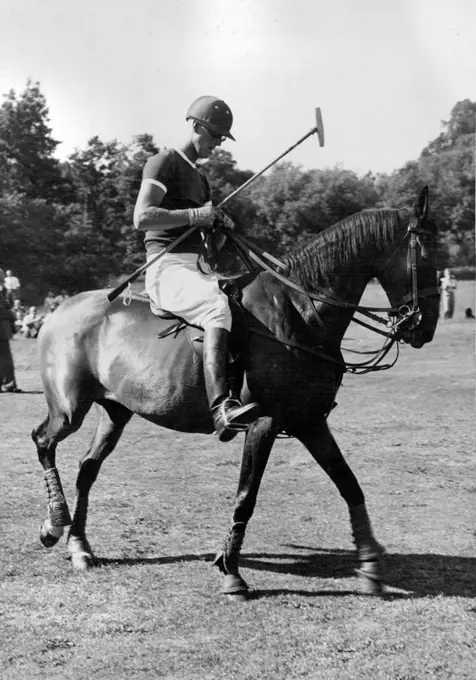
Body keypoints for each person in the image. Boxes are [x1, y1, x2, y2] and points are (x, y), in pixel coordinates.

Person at [133, 95, 260, 442]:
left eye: (222, 137)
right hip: (165, 266)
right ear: (195, 126)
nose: (218, 143)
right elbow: (141, 218)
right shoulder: (164, 163)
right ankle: (221, 407)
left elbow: (204, 243)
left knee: (245, 300)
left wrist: (218, 229)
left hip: (196, 267)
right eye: (216, 134)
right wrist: (195, 215)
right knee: (216, 307)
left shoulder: (200, 179)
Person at [0, 278, 21, 392]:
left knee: (4, 358)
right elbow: (5, 311)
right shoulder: (3, 294)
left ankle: (8, 383)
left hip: (3, 331)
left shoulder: (4, 294)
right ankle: (8, 383)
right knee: (5, 358)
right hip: (2, 331)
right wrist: (12, 318)